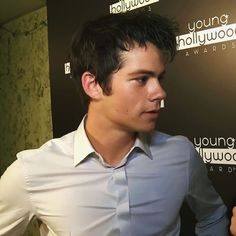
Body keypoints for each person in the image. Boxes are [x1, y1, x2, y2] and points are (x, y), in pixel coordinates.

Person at [0, 11, 229, 236]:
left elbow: (213, 216)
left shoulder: (181, 154)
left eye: (160, 78)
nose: (160, 92)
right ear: (93, 85)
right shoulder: (31, 172)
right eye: (141, 79)